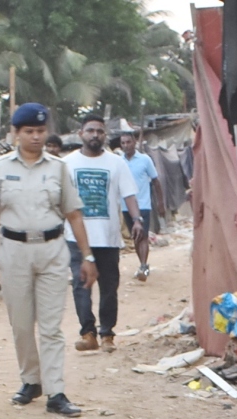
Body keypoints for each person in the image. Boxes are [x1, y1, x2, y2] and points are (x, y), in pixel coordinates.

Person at [0, 103, 98, 417]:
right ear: (16, 133)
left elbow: (74, 215)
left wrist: (87, 256)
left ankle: (56, 391)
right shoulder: (0, 168)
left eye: (41, 131)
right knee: (21, 323)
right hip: (14, 251)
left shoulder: (58, 168)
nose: (36, 137)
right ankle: (31, 380)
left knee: (52, 326)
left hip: (52, 249)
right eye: (29, 131)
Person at [65, 113, 140, 353]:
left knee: (109, 286)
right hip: (76, 237)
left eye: (99, 131)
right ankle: (88, 334)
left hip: (107, 237)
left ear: (105, 135)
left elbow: (129, 194)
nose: (95, 135)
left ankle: (107, 334)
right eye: (90, 130)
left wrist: (137, 220)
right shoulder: (67, 164)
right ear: (81, 134)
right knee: (81, 286)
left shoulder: (116, 163)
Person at [118, 129, 161, 282]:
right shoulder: (118, 162)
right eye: (123, 143)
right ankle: (142, 263)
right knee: (135, 237)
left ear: (135, 142)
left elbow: (156, 181)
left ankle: (143, 265)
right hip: (125, 207)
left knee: (142, 235)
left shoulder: (145, 160)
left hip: (143, 205)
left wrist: (161, 203)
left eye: (128, 142)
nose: (126, 145)